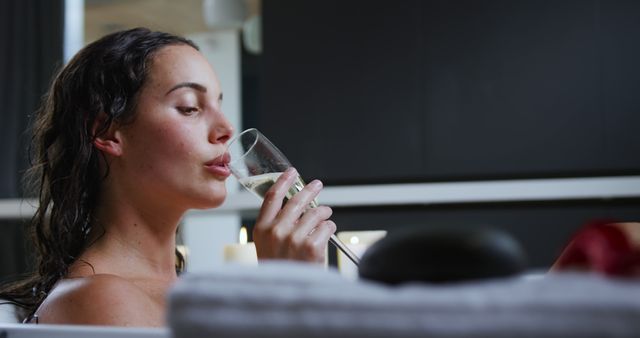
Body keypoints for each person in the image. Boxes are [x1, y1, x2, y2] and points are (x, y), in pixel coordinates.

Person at [0, 27, 336, 327]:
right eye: (190, 107)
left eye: (219, 103)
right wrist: (290, 294)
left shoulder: (189, 294)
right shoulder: (100, 298)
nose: (226, 128)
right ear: (107, 132)